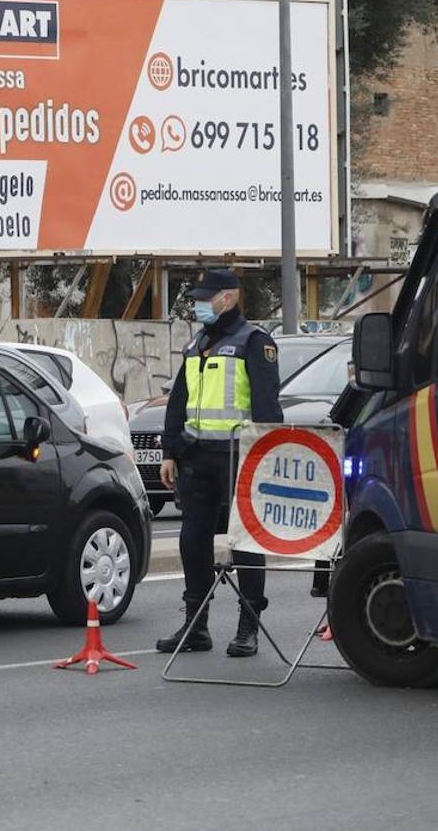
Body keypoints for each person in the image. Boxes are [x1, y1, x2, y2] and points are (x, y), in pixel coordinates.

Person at [155, 269, 283, 657]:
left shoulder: (254, 342)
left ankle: (249, 628)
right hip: (197, 459)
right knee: (192, 540)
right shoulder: (197, 344)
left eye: (205, 298)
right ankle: (196, 626)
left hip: (238, 457)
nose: (198, 304)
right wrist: (169, 451)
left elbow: (266, 407)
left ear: (227, 298)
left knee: (245, 541)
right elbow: (179, 401)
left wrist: (263, 456)